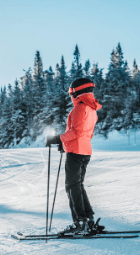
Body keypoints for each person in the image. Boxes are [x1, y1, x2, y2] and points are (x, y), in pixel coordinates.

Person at [46, 78, 102, 234]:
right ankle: (88, 220)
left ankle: (80, 222)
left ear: (78, 91)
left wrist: (58, 139)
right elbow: (84, 133)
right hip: (84, 151)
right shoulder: (92, 109)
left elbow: (76, 132)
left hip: (76, 152)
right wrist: (65, 144)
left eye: (71, 92)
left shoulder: (80, 108)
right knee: (78, 185)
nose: (71, 95)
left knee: (72, 186)